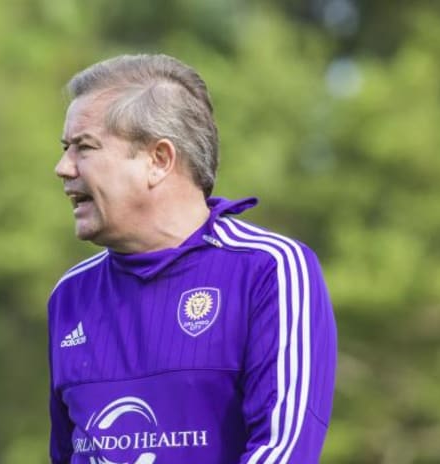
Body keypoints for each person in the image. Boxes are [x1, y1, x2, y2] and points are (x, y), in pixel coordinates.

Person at [47, 54, 337, 464]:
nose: (63, 167)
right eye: (65, 148)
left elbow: (283, 451)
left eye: (84, 147)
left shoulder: (269, 270)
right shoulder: (70, 296)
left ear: (158, 160)